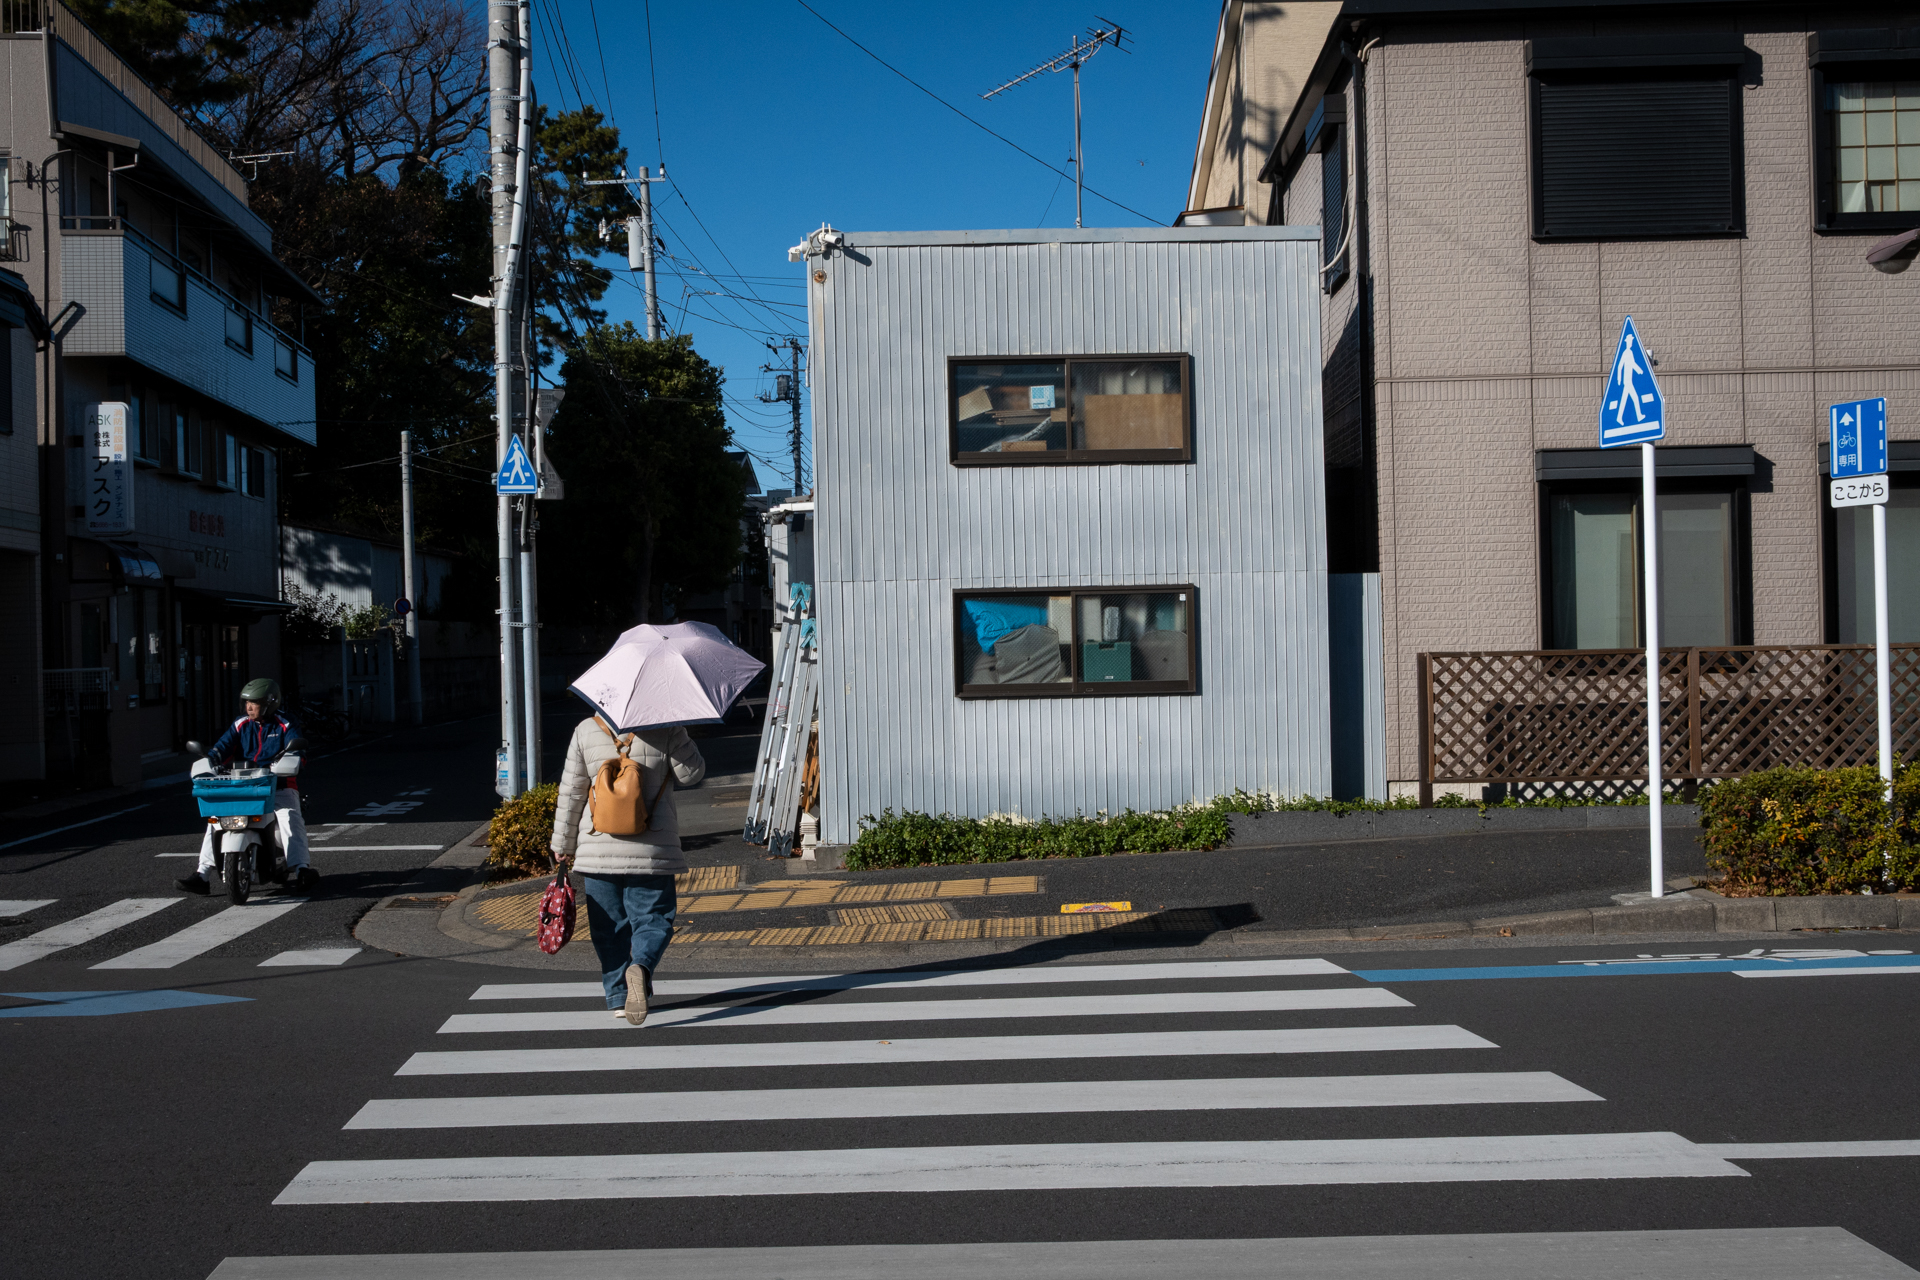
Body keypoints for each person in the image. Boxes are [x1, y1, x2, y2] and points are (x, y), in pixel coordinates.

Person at [551, 715, 705, 1025]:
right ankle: (642, 967)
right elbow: (692, 774)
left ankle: (619, 996)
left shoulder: (585, 729)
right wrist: (679, 735)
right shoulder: (667, 727)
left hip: (598, 848)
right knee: (653, 919)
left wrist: (563, 845)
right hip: (652, 850)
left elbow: (572, 793)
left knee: (609, 927)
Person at [176, 678, 316, 894]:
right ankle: (202, 875)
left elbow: (296, 749)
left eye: (255, 703)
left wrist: (292, 760)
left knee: (290, 817)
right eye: (246, 703)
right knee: (215, 819)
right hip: (242, 784)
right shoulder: (241, 724)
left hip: (278, 785)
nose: (249, 708)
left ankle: (301, 869)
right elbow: (222, 747)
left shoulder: (285, 723)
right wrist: (211, 760)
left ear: (270, 703)